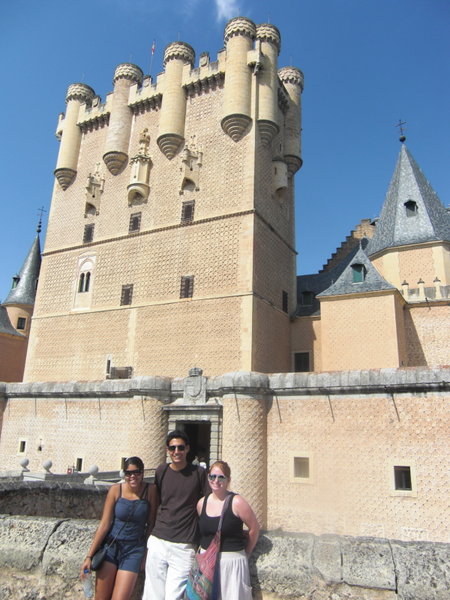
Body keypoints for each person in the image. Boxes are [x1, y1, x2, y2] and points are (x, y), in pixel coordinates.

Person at [142, 430, 208, 600]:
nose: (176, 451)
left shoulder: (198, 473)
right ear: (167, 450)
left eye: (180, 447)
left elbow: (208, 504)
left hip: (184, 545)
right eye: (172, 448)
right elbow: (157, 503)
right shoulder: (162, 471)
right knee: (152, 595)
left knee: (174, 596)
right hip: (159, 540)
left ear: (187, 449)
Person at [80, 457, 156, 600]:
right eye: (128, 473)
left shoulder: (150, 490)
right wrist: (89, 556)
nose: (132, 476)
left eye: (136, 472)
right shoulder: (116, 490)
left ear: (142, 473)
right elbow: (105, 524)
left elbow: (151, 524)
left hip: (134, 550)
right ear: (124, 474)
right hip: (111, 548)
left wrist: (146, 553)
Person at [197, 460, 260, 600]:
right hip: (207, 565)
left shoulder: (237, 502)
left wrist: (247, 552)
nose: (216, 480)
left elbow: (254, 528)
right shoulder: (202, 503)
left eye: (221, 477)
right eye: (212, 476)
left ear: (228, 480)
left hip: (231, 564)